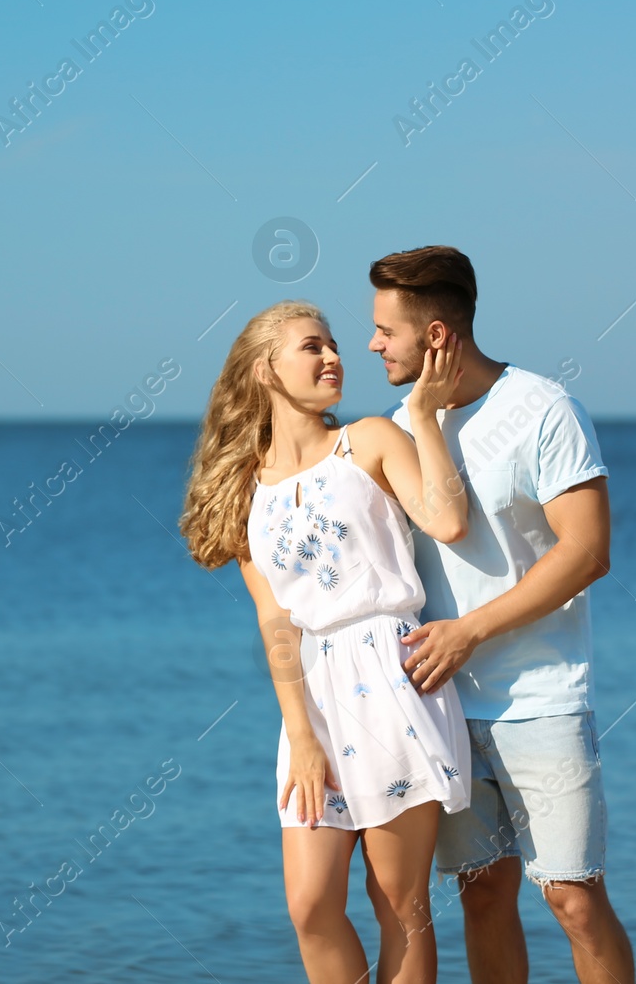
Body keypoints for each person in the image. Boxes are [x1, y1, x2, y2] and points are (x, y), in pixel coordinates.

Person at [179, 300, 472, 984]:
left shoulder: (368, 440)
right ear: (266, 369)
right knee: (310, 905)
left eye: (335, 344)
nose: (334, 356)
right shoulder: (244, 489)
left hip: (394, 680)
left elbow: (448, 520)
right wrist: (301, 734)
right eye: (313, 346)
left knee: (398, 901)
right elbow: (275, 622)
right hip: (313, 696)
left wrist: (423, 417)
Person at [366, 245, 635, 984]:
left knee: (574, 897)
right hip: (441, 708)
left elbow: (587, 551)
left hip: (541, 700)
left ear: (438, 336)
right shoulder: (403, 426)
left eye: (387, 329)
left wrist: (471, 630)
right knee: (482, 893)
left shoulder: (542, 409)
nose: (372, 343)